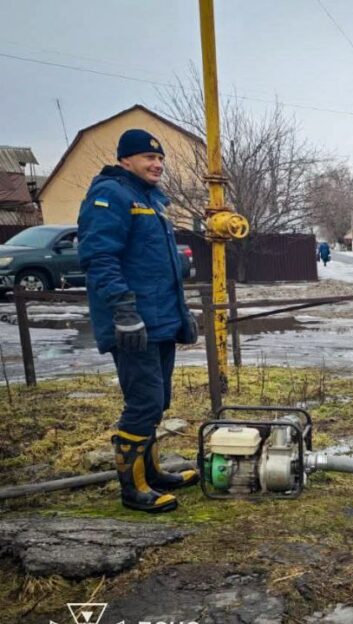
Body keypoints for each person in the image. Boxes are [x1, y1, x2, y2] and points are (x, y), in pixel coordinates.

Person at [78, 129, 199, 514]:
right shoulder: (111, 195)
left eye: (160, 158)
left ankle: (153, 473)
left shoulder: (152, 200)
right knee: (143, 402)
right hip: (134, 323)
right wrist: (124, 312)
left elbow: (149, 261)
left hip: (161, 318)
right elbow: (99, 258)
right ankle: (133, 490)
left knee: (158, 401)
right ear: (125, 160)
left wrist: (182, 295)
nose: (157, 164)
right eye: (148, 158)